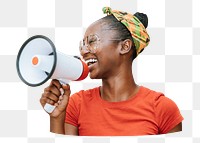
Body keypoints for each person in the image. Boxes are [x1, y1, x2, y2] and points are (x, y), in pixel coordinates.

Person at [40, 7, 183, 136]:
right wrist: (57, 118)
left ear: (125, 46)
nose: (83, 51)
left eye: (92, 41)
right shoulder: (76, 104)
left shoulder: (163, 108)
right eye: (83, 44)